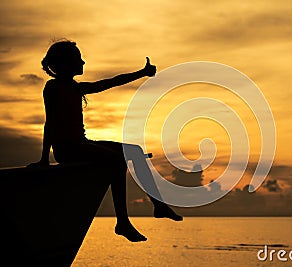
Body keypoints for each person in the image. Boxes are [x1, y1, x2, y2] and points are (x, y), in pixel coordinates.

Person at [29, 40, 182, 242]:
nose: (83, 61)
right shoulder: (53, 88)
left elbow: (111, 82)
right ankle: (123, 222)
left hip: (81, 144)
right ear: (66, 63)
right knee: (117, 160)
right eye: (78, 58)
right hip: (68, 150)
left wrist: (141, 73)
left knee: (134, 151)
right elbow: (50, 124)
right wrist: (44, 159)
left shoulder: (75, 87)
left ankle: (158, 205)